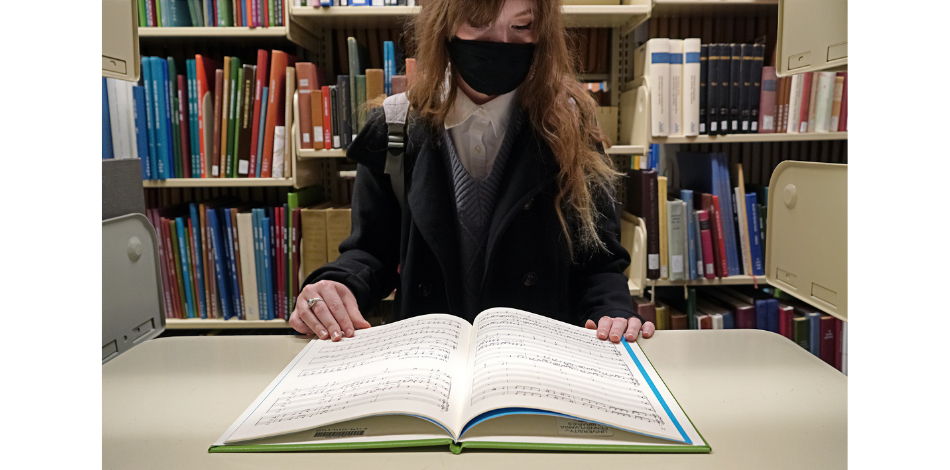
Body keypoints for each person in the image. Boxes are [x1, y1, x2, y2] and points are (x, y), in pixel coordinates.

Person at [289, 0, 655, 344]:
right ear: (444, 25)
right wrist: (337, 287)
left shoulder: (574, 128)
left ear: (542, 32)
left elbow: (599, 262)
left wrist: (611, 313)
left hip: (537, 361)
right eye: (478, 23)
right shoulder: (394, 126)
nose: (500, 43)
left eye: (521, 25)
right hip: (428, 362)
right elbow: (370, 252)